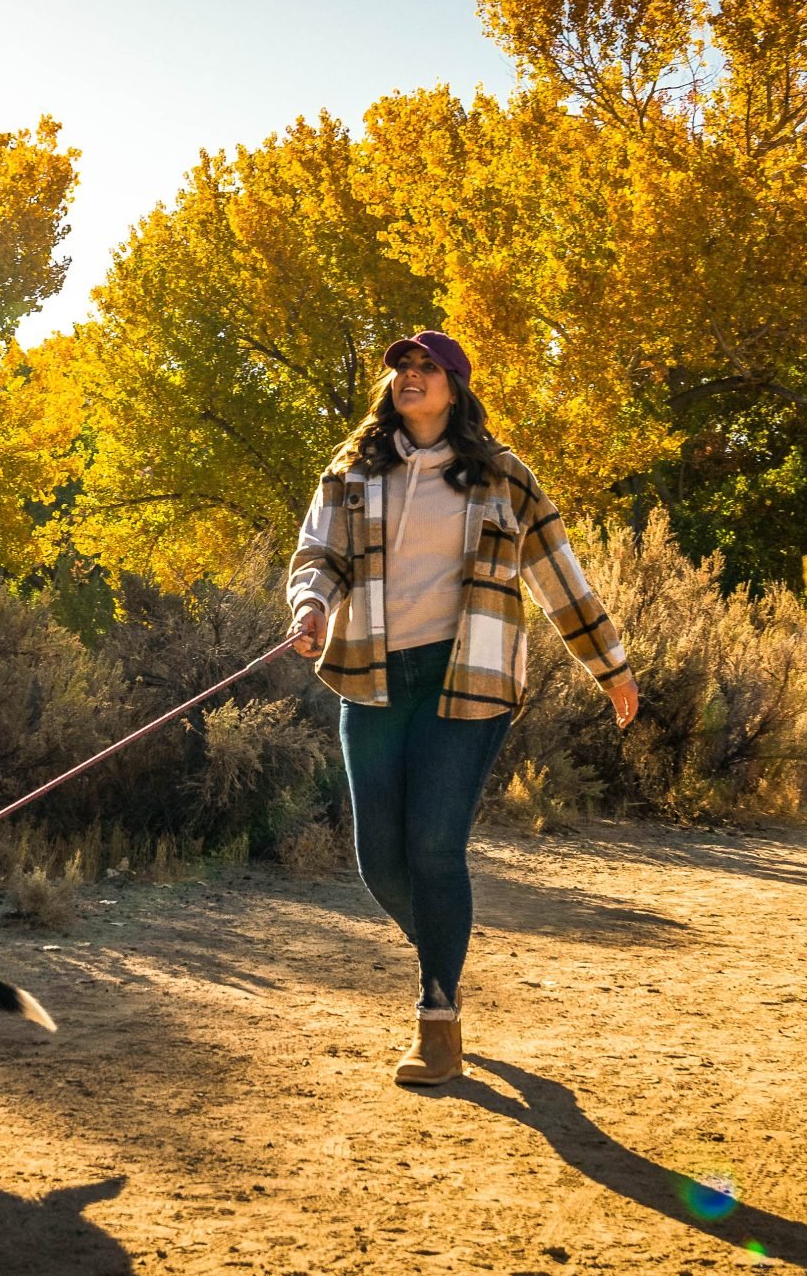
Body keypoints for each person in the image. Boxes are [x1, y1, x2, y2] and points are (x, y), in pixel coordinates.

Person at [284, 328, 638, 1086]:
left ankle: (436, 1019)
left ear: (454, 388)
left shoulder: (502, 476)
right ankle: (445, 955)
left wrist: (610, 666)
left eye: (426, 368)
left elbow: (557, 576)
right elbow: (318, 557)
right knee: (380, 862)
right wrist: (312, 606)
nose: (410, 377)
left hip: (466, 682)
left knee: (435, 850)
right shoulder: (353, 471)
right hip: (372, 677)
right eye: (402, 368)